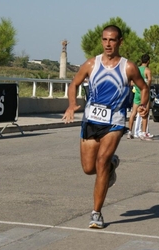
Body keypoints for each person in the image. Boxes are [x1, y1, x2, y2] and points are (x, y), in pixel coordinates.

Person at [62, 25, 149, 229]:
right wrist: (72, 104)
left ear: (120, 41)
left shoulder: (128, 67)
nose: (108, 44)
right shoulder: (92, 64)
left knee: (101, 162)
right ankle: (112, 166)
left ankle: (96, 213)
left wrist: (143, 105)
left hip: (114, 121)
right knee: (88, 168)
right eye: (105, 40)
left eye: (112, 40)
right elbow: (74, 83)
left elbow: (143, 88)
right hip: (91, 120)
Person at [127, 54, 153, 140]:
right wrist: (147, 88)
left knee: (133, 113)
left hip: (137, 93)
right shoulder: (147, 70)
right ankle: (143, 133)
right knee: (145, 114)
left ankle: (129, 131)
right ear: (148, 61)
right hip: (144, 94)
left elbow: (131, 81)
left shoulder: (136, 69)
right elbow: (149, 79)